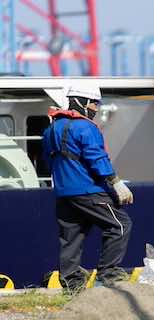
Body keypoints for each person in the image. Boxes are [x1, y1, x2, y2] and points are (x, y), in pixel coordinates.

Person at [42, 85, 134, 293]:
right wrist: (115, 182)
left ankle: (72, 286)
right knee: (120, 224)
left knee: (71, 238)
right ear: (83, 102)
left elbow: (48, 160)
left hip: (64, 193)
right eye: (94, 103)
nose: (95, 108)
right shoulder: (85, 128)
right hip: (88, 191)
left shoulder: (51, 129)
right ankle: (108, 274)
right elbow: (97, 157)